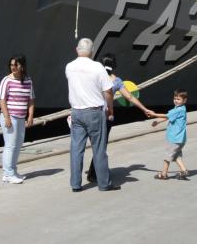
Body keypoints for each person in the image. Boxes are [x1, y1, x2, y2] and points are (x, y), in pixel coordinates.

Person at [87, 53, 155, 182]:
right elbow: (129, 97)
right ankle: (95, 174)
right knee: (101, 146)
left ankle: (89, 174)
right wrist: (145, 109)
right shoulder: (117, 81)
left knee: (88, 146)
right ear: (114, 66)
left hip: (88, 114)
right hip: (106, 116)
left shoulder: (93, 77)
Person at [65, 38, 120, 191]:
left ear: (77, 49)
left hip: (76, 112)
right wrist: (110, 109)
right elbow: (108, 91)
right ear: (92, 51)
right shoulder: (97, 67)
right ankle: (104, 184)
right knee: (99, 149)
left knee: (76, 149)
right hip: (95, 112)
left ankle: (75, 184)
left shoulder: (69, 66)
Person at [0, 54, 35, 184]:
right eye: (11, 65)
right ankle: (8, 173)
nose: (13, 67)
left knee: (18, 145)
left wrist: (30, 116)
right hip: (9, 117)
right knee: (10, 145)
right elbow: (1, 100)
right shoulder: (6, 80)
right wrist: (7, 117)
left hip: (20, 117)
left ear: (22, 66)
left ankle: (12, 170)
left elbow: (31, 100)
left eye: (16, 65)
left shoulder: (28, 81)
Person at [151, 89, 189, 180]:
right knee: (176, 156)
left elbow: (167, 116)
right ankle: (184, 171)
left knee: (167, 156)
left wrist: (154, 114)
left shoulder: (179, 110)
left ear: (184, 101)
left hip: (174, 138)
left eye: (178, 99)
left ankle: (164, 174)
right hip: (180, 139)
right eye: (175, 98)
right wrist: (158, 122)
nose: (176, 100)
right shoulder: (179, 109)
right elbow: (170, 116)